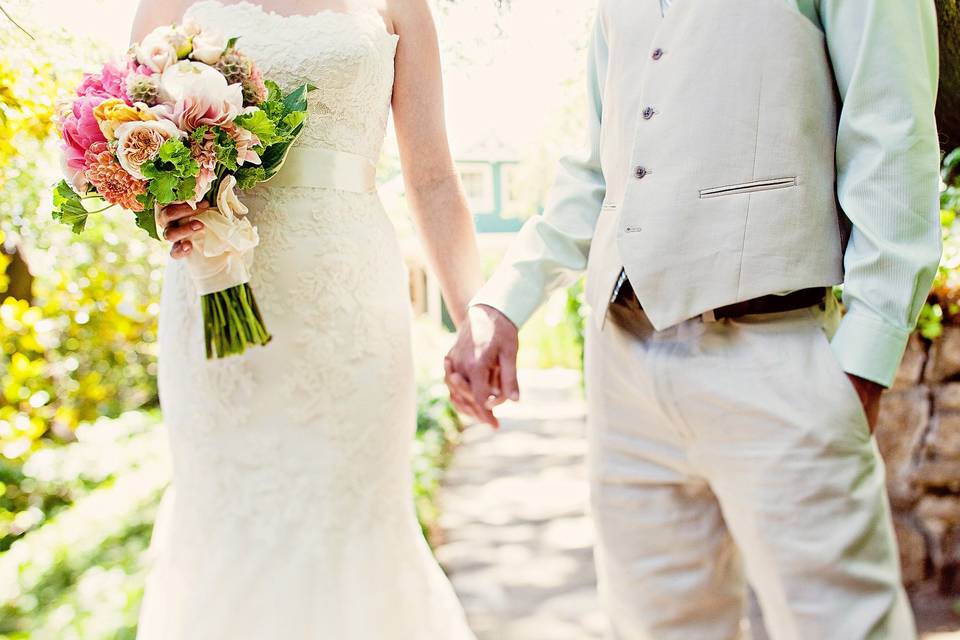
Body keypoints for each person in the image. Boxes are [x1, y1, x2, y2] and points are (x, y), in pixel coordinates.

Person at [445, 0, 942, 638]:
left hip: (780, 357)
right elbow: (599, 171)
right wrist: (502, 303)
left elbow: (892, 136)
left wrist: (862, 364)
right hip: (624, 367)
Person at [133, 1, 480, 637]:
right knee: (227, 518)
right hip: (215, 292)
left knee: (351, 520)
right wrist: (166, 206)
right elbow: (133, 152)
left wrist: (473, 319)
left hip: (348, 301)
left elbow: (432, 177)